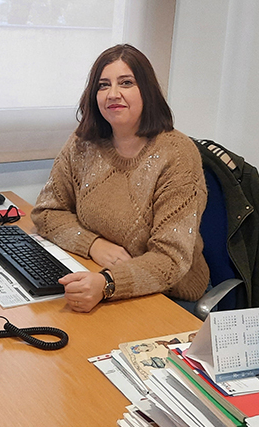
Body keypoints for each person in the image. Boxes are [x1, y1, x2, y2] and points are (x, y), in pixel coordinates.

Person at [31, 44, 208, 314]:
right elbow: (47, 211)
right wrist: (92, 244)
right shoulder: (83, 143)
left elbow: (170, 260)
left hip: (166, 293)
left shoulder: (178, 155)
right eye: (103, 85)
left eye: (126, 83)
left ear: (147, 91)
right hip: (95, 273)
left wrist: (108, 283)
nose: (113, 94)